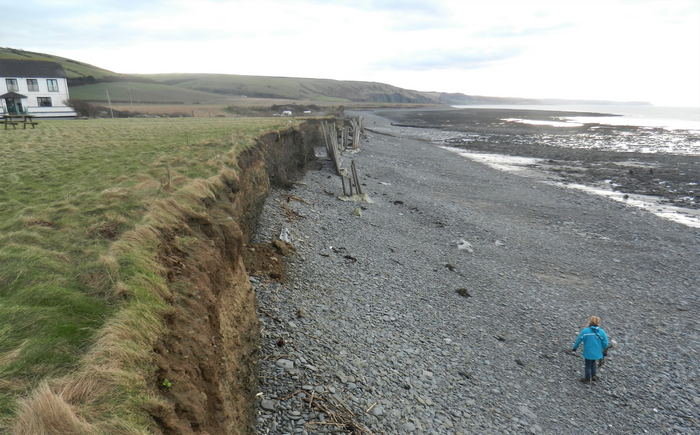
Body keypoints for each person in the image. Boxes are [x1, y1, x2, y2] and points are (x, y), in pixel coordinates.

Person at [572, 316, 609, 383]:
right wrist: (604, 349)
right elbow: (605, 343)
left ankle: (587, 378)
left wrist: (574, 348)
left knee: (588, 365)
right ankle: (593, 375)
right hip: (597, 352)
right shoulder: (602, 332)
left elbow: (578, 340)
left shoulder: (585, 331)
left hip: (588, 352)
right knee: (593, 362)